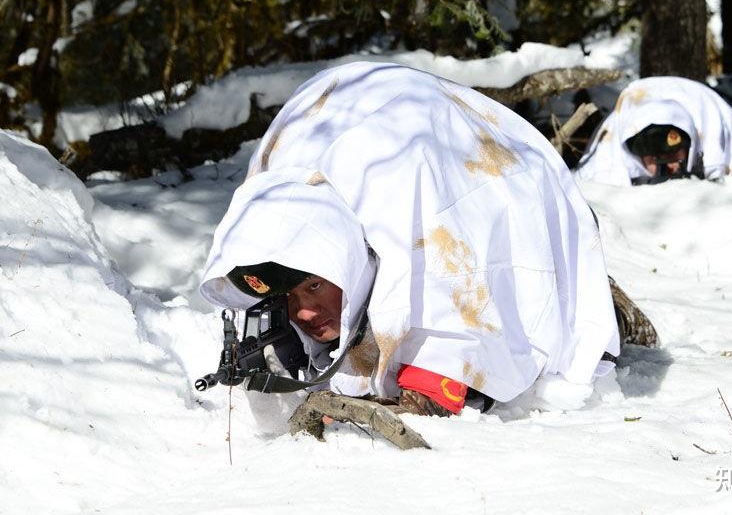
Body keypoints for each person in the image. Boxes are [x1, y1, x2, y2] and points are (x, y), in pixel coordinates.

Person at [199, 61, 622, 422]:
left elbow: (457, 356)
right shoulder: (273, 200)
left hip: (510, 206)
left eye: (313, 286)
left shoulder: (431, 247)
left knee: (600, 318)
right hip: (338, 120)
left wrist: (392, 396)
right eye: (289, 298)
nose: (305, 312)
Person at [575, 76, 732, 186]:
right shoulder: (606, 162)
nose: (671, 168)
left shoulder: (714, 131)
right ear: (638, 155)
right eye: (659, 160)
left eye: (674, 157)